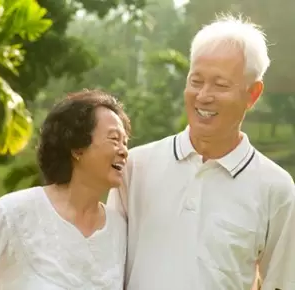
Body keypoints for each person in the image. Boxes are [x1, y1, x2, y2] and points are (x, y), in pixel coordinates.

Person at [107, 14, 295, 290]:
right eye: (196, 81)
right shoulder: (136, 166)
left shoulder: (276, 188)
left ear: (252, 94)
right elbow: (104, 264)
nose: (204, 95)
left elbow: (281, 282)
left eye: (220, 85)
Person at [0, 89, 130, 289]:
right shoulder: (13, 213)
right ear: (77, 148)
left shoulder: (119, 230)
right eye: (114, 139)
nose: (124, 151)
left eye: (125, 142)